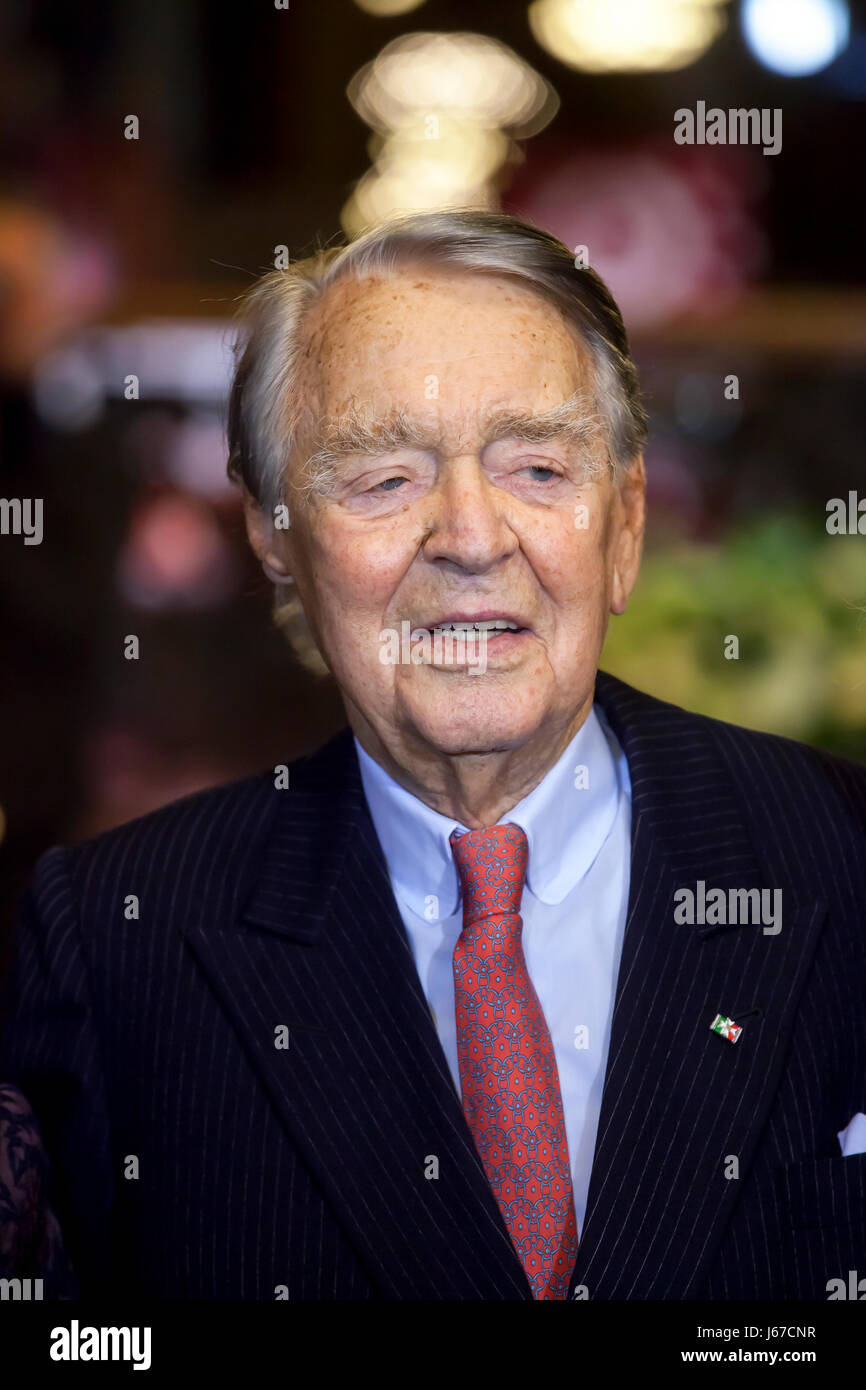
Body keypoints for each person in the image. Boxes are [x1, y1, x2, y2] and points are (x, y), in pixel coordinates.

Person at [1, 210, 864, 1300]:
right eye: (383, 478)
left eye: (537, 468)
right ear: (275, 533)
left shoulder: (842, 857)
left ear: (627, 525)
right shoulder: (114, 938)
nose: (468, 534)